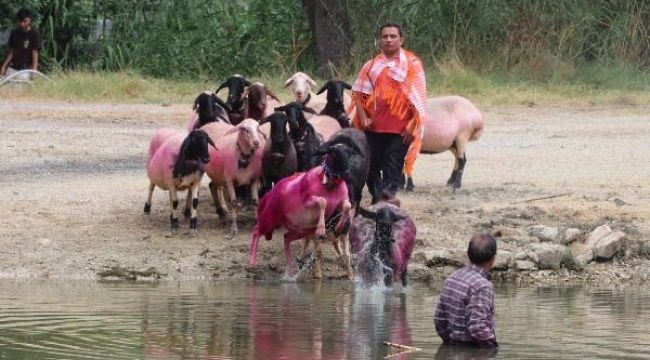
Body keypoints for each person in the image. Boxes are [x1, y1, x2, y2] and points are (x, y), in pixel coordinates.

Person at [351, 22, 427, 204]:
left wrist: (412, 126)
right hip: (374, 128)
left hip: (401, 130)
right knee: (370, 166)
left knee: (393, 167)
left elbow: (420, 100)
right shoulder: (371, 66)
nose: (388, 40)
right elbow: (358, 94)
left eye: (393, 36)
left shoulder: (413, 65)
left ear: (401, 40)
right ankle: (379, 200)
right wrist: (363, 118)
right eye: (385, 36)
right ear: (380, 40)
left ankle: (387, 201)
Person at [434, 233, 498, 348]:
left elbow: (439, 320)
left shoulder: (452, 277)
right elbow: (478, 328)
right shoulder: (483, 286)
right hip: (474, 351)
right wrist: (493, 349)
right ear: (493, 259)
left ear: (467, 254)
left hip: (452, 347)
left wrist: (450, 344)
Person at [1, 8, 42, 81]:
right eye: (20, 21)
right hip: (13, 69)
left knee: (21, 81)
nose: (22, 24)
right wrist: (4, 67)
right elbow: (12, 52)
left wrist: (34, 71)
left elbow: (35, 52)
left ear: (29, 20)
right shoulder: (14, 33)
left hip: (25, 70)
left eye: (25, 21)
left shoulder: (34, 34)